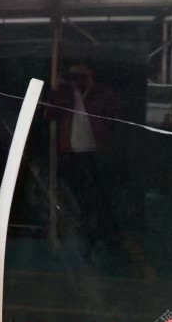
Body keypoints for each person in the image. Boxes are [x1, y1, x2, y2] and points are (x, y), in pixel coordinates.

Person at [46, 63, 118, 261]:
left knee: (98, 197)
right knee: (80, 197)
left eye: (81, 76)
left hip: (95, 151)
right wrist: (59, 89)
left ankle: (98, 237)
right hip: (72, 152)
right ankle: (86, 237)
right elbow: (49, 114)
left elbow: (114, 114)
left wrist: (91, 88)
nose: (77, 81)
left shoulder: (100, 94)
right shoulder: (66, 94)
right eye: (74, 76)